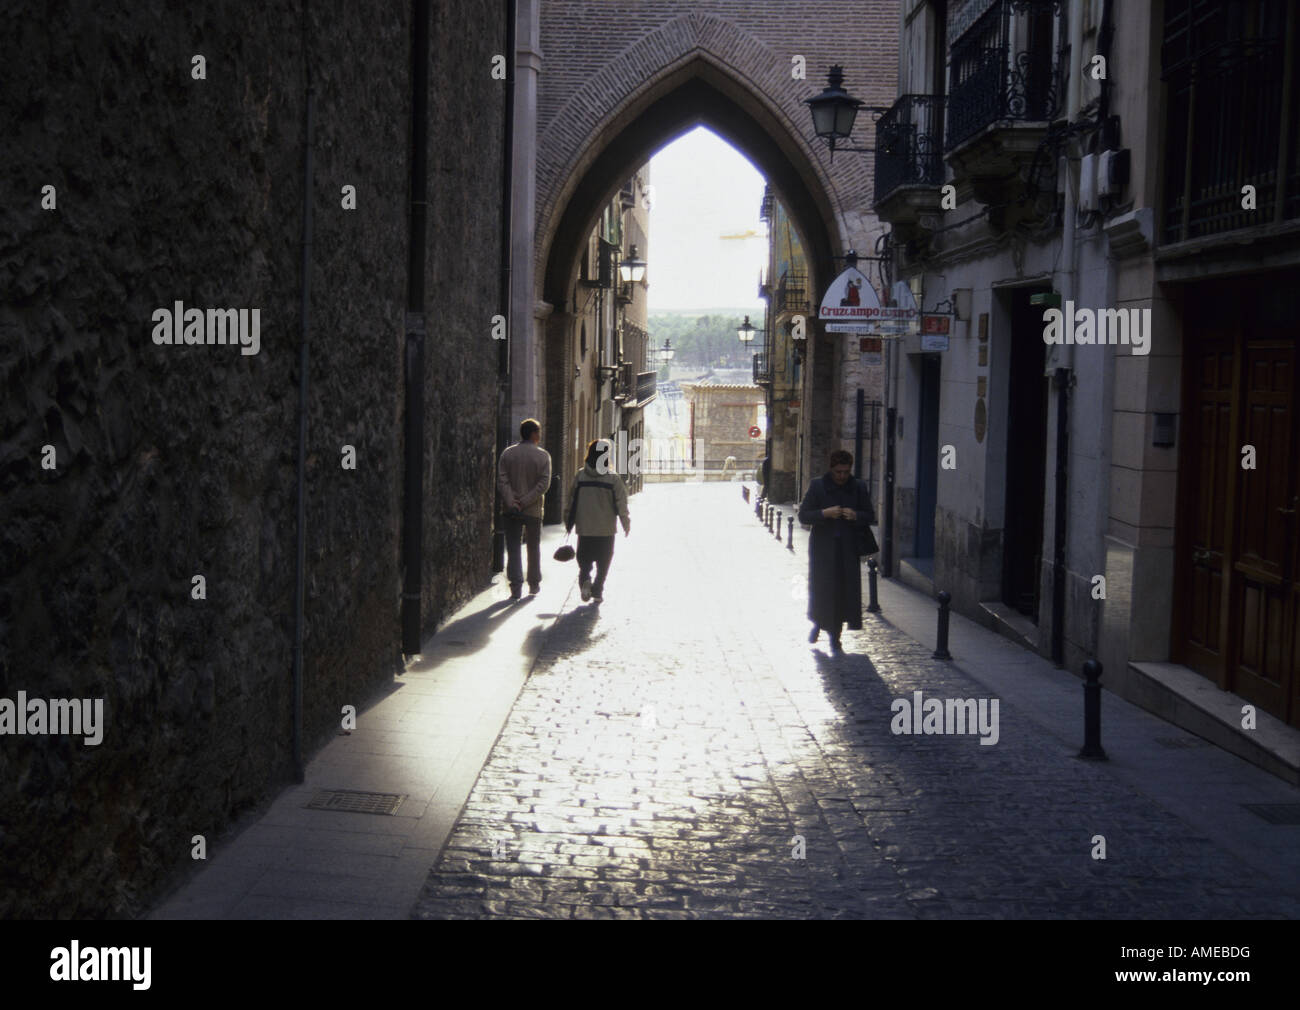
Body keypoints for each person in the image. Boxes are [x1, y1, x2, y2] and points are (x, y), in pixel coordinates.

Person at [797, 449, 876, 654]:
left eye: (845, 472)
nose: (842, 476)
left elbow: (870, 515)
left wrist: (855, 515)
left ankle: (835, 636)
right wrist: (824, 513)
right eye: (838, 472)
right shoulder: (818, 486)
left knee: (843, 592)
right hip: (823, 550)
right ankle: (817, 623)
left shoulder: (858, 487)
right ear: (831, 469)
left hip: (848, 550)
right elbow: (803, 515)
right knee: (822, 590)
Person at [566, 439, 630, 604]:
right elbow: (621, 503)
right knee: (604, 561)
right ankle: (598, 589)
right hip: (606, 529)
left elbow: (571, 500)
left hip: (585, 528)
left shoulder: (580, 475)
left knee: (584, 560)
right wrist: (625, 522)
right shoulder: (613, 479)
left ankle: (585, 580)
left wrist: (568, 520)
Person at [497, 418, 552, 599]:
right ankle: (534, 584)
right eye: (539, 432)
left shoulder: (507, 454)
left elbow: (502, 480)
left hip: (511, 509)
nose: (540, 435)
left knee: (513, 548)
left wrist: (513, 501)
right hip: (533, 510)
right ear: (534, 434)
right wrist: (526, 500)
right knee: (533, 547)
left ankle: (516, 587)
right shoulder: (543, 456)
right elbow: (543, 484)